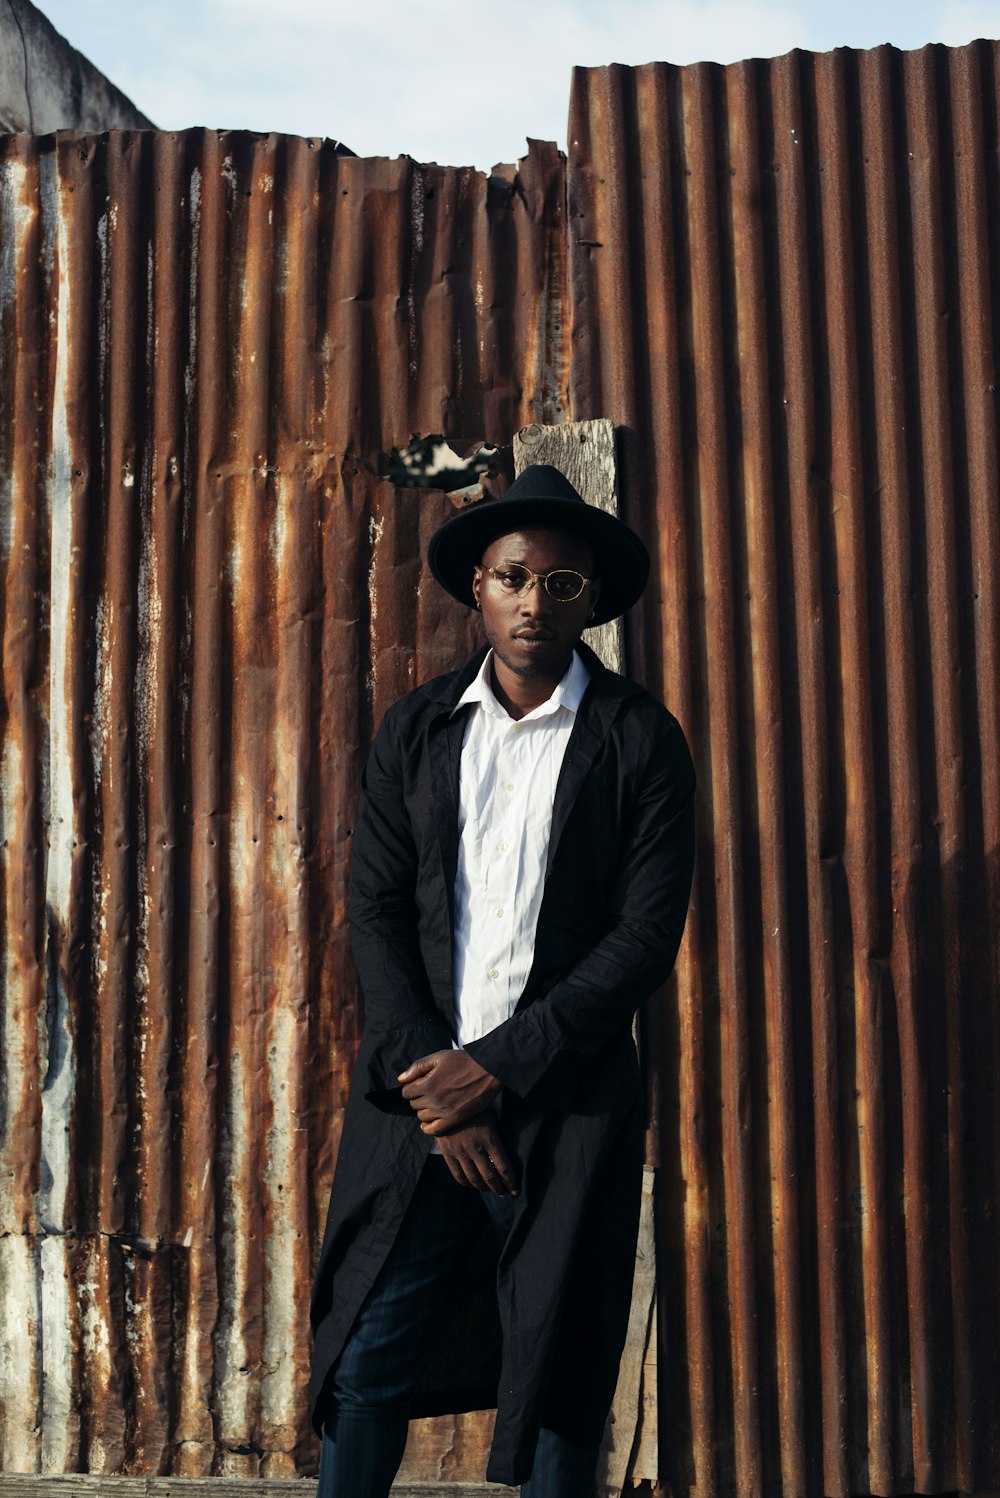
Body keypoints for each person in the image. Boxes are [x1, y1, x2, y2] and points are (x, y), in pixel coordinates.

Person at [309, 463, 696, 1496]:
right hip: (420, 1105)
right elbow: (378, 912)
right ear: (477, 587)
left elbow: (641, 938)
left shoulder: (638, 742)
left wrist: (500, 1073)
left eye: (561, 584)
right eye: (514, 577)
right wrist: (442, 1090)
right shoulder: (419, 730)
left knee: (560, 1369)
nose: (535, 602)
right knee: (366, 1349)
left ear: (592, 601)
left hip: (563, 1107)